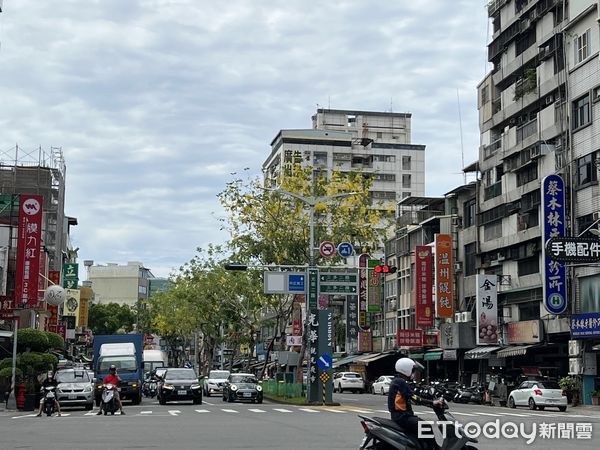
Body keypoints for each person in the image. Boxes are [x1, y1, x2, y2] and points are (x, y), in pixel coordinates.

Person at [388, 358, 441, 449]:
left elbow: (411, 398)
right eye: (413, 370)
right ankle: (433, 448)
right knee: (425, 426)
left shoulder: (398, 381)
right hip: (402, 417)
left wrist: (428, 403)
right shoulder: (400, 382)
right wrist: (432, 402)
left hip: (401, 416)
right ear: (406, 369)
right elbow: (414, 398)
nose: (413, 373)